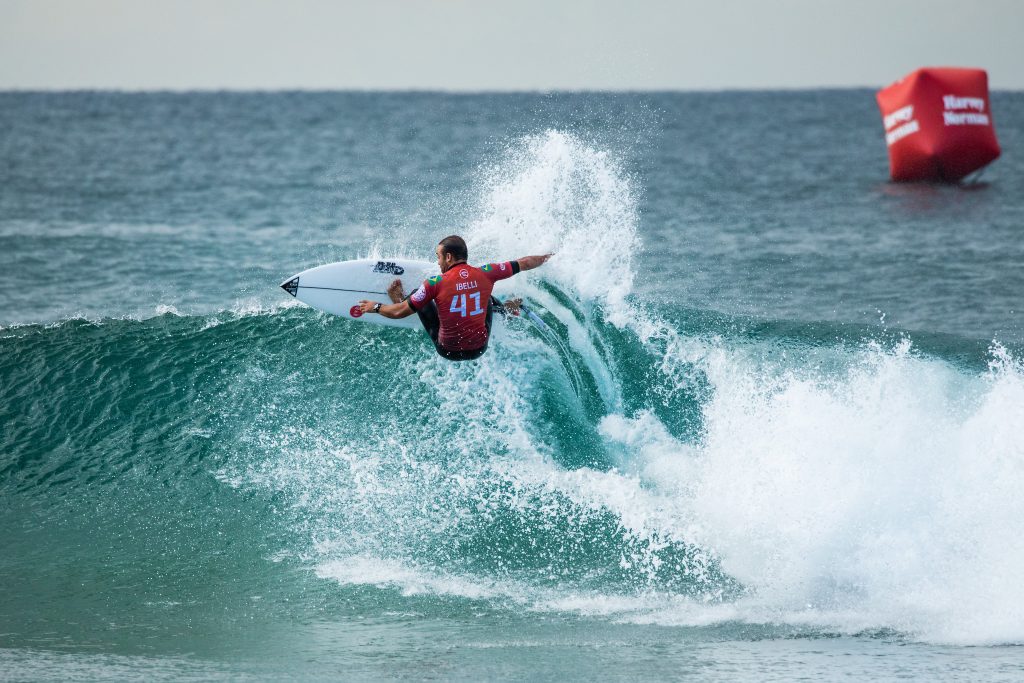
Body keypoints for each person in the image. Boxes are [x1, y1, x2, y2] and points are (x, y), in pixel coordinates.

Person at [358, 235, 552, 361]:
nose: (438, 261)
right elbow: (525, 263)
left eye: (439, 257)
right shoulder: (487, 273)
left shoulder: (435, 283)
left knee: (419, 295)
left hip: (448, 350)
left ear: (449, 257)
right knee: (486, 296)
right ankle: (507, 310)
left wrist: (375, 307)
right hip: (479, 349)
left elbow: (399, 313)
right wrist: (548, 257)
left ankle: (401, 297)